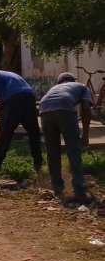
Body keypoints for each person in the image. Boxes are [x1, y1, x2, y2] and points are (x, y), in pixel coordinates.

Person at [39, 72, 93, 200]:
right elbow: (86, 109)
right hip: (65, 107)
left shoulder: (53, 88)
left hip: (44, 109)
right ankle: (79, 190)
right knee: (74, 149)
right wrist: (85, 135)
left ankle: (57, 187)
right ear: (73, 80)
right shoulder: (81, 86)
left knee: (52, 151)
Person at [0, 70, 42, 171]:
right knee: (34, 131)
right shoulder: (9, 75)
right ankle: (38, 161)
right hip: (29, 96)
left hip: (15, 98)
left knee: (6, 131)